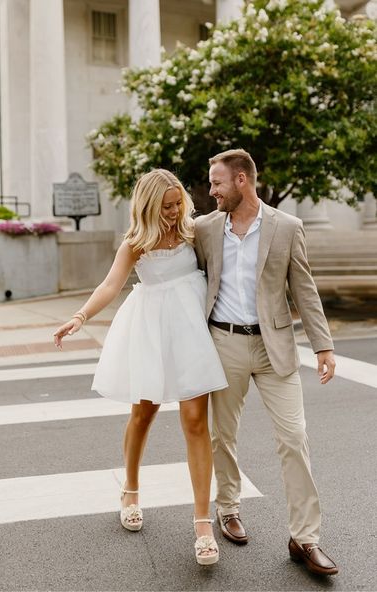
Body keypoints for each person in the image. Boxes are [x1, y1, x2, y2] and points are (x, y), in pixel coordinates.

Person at [53, 169, 228, 565]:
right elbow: (110, 285)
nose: (173, 211)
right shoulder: (134, 243)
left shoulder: (191, 231)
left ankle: (203, 523)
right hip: (151, 330)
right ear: (148, 206)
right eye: (166, 206)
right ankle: (129, 487)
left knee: (197, 421)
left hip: (191, 334)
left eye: (177, 203)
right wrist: (79, 318)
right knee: (143, 413)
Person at [194, 149, 339, 576]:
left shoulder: (287, 227)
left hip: (274, 345)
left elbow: (304, 288)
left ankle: (305, 538)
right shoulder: (204, 228)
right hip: (223, 341)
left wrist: (323, 345)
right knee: (223, 434)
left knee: (294, 437)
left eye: (217, 183)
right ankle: (228, 508)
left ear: (242, 181)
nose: (212, 190)